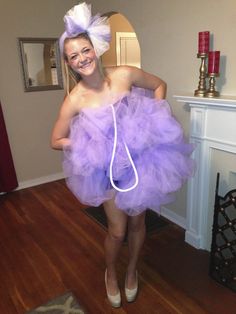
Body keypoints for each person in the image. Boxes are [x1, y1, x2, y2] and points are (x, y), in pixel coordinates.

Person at [51, 2, 194, 308]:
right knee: (117, 232)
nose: (82, 58)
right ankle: (111, 273)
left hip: (139, 164)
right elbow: (56, 139)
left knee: (138, 225)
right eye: (74, 56)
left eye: (85, 50)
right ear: (69, 63)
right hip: (105, 171)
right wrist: (85, 143)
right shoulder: (74, 100)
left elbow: (158, 85)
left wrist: (154, 124)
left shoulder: (125, 75)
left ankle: (132, 270)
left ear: (95, 48)